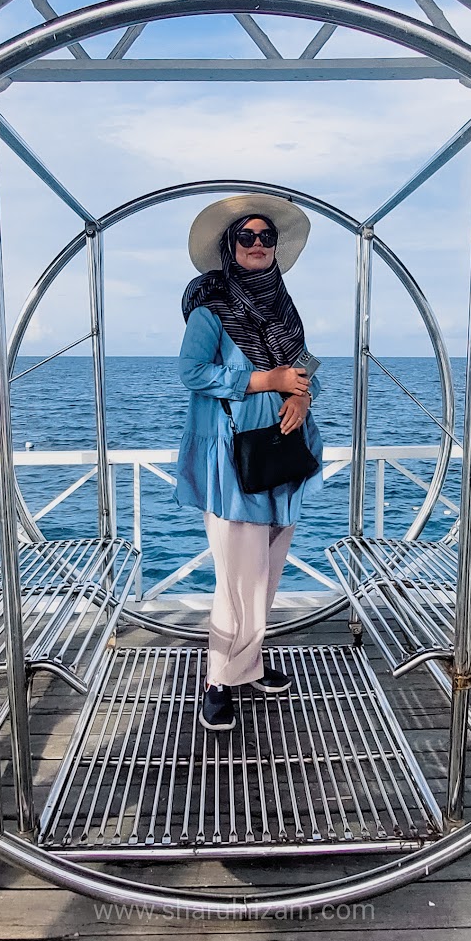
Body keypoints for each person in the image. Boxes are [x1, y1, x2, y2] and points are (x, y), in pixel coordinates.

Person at [176, 193, 324, 732]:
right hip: (234, 460)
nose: (258, 245)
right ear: (229, 247)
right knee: (239, 577)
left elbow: (304, 361)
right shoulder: (212, 307)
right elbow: (192, 372)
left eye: (267, 237)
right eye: (247, 237)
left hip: (283, 454)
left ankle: (249, 663)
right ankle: (219, 679)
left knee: (265, 572)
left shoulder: (281, 305)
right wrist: (267, 380)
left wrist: (301, 394)